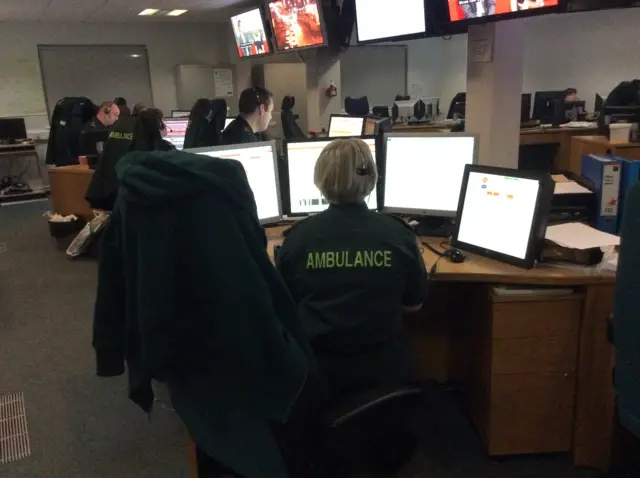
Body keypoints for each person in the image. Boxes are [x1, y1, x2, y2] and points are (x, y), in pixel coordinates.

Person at [92, 147, 321, 477]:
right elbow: (256, 290)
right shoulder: (222, 189)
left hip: (178, 347)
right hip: (237, 352)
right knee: (308, 380)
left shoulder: (132, 193)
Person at [276, 138, 428, 401]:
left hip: (320, 371)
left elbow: (285, 307)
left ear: (320, 180)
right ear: (372, 177)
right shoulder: (399, 235)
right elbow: (414, 305)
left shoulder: (297, 239)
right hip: (383, 370)